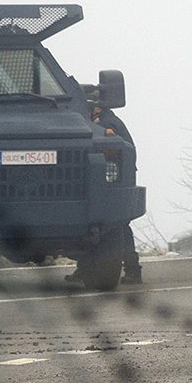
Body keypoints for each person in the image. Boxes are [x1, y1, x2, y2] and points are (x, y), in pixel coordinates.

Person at [70, 85, 142, 286]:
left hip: (111, 182)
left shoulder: (108, 124)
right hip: (100, 182)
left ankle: (133, 269)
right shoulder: (97, 122)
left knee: (118, 226)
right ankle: (84, 269)